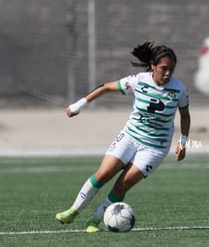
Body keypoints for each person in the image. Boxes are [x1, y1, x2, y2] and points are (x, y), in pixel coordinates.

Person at [55, 42, 191, 232]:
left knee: (121, 186)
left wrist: (183, 142)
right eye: (164, 68)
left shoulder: (179, 90)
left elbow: (185, 115)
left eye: (172, 69)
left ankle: (94, 222)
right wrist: (80, 105)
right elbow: (106, 88)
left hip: (155, 148)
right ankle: (73, 211)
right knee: (103, 174)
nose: (168, 73)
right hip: (130, 137)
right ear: (153, 66)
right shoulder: (138, 80)